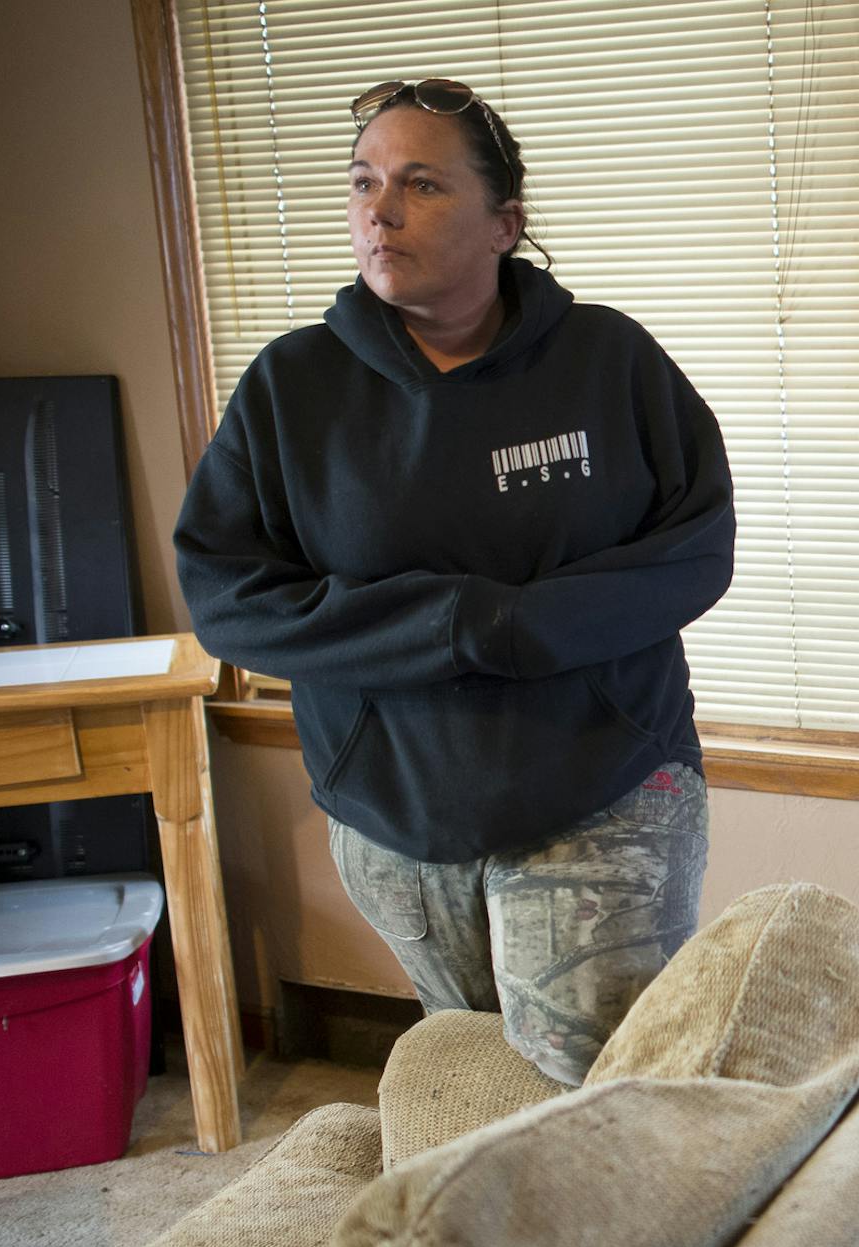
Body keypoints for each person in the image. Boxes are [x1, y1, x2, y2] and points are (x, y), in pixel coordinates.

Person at [174, 78, 735, 1084]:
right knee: (474, 1076)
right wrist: (453, 628)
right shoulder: (291, 388)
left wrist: (519, 627)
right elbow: (228, 595)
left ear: (503, 224)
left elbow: (695, 545)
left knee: (592, 1090)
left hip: (601, 786)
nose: (380, 211)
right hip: (396, 809)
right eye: (364, 183)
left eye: (422, 185)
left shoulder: (608, 360)